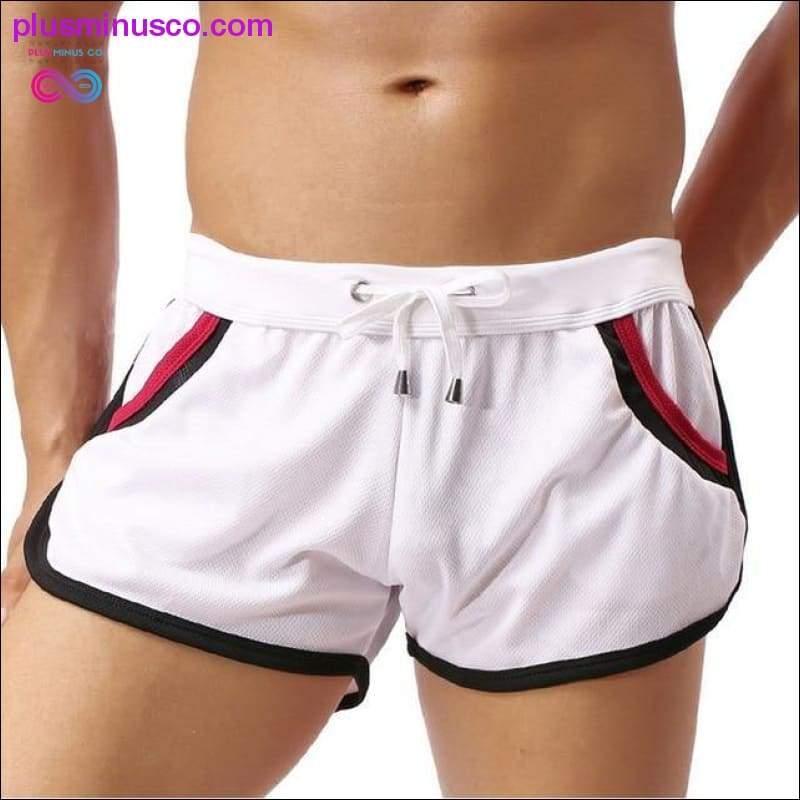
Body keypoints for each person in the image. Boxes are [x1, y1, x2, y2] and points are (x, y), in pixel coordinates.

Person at [1, 2, 797, 797]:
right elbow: (46, 31)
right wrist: (53, 451)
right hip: (248, 372)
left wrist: (669, 311)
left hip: (583, 386)